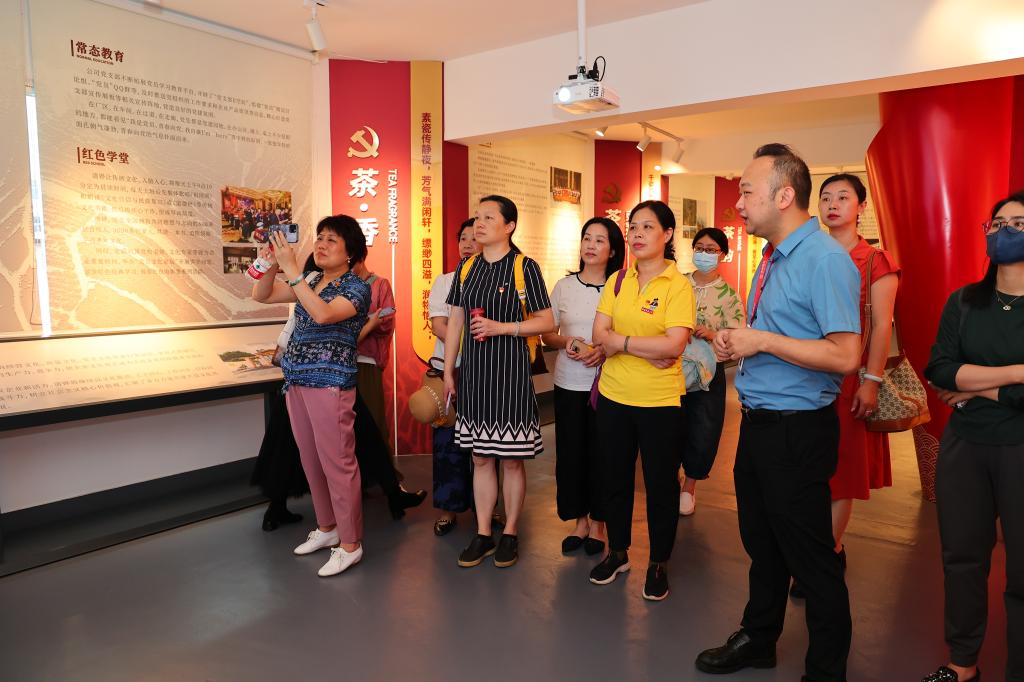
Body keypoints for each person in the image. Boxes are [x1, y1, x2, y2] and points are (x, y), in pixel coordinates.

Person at [696, 144, 860, 681]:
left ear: (784, 196)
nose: (739, 204)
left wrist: (762, 340)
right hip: (759, 423)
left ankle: (826, 670)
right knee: (762, 544)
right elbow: (781, 334)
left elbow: (845, 355)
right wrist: (740, 340)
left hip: (797, 431)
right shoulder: (772, 255)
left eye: (747, 191)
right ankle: (759, 637)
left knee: (811, 559)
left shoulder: (824, 259)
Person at [922, 191, 1024, 682]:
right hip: (965, 447)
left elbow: (959, 379)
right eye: (998, 223)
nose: (1005, 231)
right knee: (961, 558)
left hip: (1020, 448)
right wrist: (1018, 373)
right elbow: (940, 369)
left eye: (1019, 223)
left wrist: (976, 386)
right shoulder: (963, 301)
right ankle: (962, 663)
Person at [789, 174, 900, 598]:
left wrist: (870, 381)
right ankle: (814, 550)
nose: (832, 205)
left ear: (861, 207)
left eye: (843, 197)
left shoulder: (874, 260)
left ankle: (828, 553)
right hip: (805, 374)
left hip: (850, 379)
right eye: (826, 198)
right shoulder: (808, 254)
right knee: (806, 470)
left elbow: (882, 325)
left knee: (841, 472)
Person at [252, 215, 370, 578]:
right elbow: (262, 295)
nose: (321, 244)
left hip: (330, 384)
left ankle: (350, 544)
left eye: (332, 240)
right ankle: (327, 527)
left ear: (350, 252)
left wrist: (293, 272)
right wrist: (272, 264)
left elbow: (322, 314)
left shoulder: (357, 287)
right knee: (311, 460)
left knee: (338, 463)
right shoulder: (313, 279)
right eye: (320, 237)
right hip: (297, 381)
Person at [588, 200, 695, 601]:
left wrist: (622, 342)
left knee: (660, 485)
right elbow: (599, 335)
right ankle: (618, 553)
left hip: (660, 401)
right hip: (614, 396)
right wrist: (644, 347)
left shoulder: (678, 285)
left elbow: (675, 344)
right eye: (633, 226)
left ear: (667, 235)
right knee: (614, 477)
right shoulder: (618, 280)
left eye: (647, 227)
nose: (636, 234)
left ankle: (658, 562)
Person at [443, 195, 554, 569]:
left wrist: (501, 328)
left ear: (509, 226)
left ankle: (510, 532)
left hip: (511, 377)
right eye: (478, 217)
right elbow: (455, 321)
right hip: (475, 377)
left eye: (489, 217)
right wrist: (449, 371)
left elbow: (546, 321)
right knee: (480, 457)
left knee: (511, 461)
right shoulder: (466, 268)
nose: (479, 223)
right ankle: (483, 533)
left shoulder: (524, 267)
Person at [541, 217, 625, 555]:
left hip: (609, 386)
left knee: (603, 455)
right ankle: (580, 522)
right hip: (568, 383)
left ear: (613, 250)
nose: (590, 245)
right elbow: (547, 333)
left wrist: (605, 350)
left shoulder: (621, 288)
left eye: (599, 240)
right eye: (587, 238)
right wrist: (567, 342)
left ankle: (600, 525)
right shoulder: (564, 286)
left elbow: (630, 334)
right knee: (571, 454)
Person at [679, 227, 745, 516]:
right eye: (699, 248)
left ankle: (689, 486)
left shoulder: (729, 295)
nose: (704, 254)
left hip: (708, 373)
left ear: (723, 255)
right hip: (670, 368)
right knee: (669, 427)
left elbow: (738, 336)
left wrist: (712, 333)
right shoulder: (677, 283)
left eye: (711, 250)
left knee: (703, 430)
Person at [428, 218, 481, 536]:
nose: (467, 244)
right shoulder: (445, 281)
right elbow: (438, 325)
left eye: (475, 238)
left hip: (484, 373)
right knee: (447, 442)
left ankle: (486, 508)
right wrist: (471, 345)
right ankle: (448, 510)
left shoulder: (494, 280)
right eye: (463, 238)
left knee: (486, 446)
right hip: (449, 370)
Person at [351, 257, 397, 457]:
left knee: (371, 418)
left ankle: (379, 471)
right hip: (340, 362)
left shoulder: (380, 284)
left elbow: (387, 323)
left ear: (360, 259)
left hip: (366, 360)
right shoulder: (338, 284)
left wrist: (365, 323)